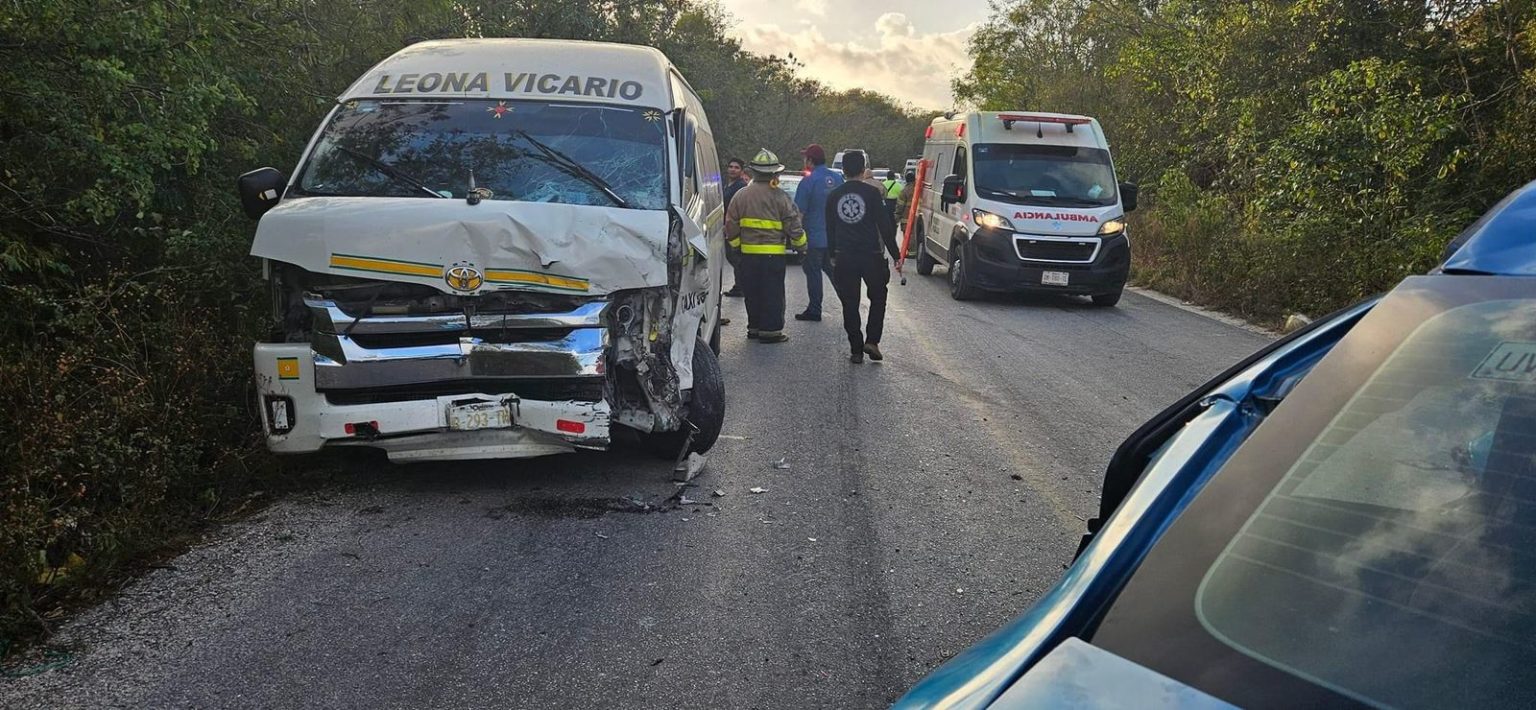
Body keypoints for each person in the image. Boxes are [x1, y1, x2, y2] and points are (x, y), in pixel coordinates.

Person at [825, 150, 900, 364]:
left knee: (850, 302)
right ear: (863, 169)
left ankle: (856, 349)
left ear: (843, 170)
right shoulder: (872, 194)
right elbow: (885, 227)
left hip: (844, 256)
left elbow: (830, 228)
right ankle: (872, 341)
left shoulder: (834, 196)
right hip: (871, 255)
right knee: (878, 297)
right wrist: (896, 255)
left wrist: (832, 254)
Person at [725, 149, 806, 344]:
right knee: (772, 293)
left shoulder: (741, 195)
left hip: (748, 255)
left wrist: (736, 246)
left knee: (752, 293)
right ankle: (770, 331)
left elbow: (731, 224)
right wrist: (801, 247)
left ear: (753, 172)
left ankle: (754, 328)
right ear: (774, 173)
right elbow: (793, 224)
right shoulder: (781, 197)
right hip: (773, 256)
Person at [792, 144, 843, 322]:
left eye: (805, 158)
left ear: (810, 160)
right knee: (835, 274)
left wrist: (796, 238)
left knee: (813, 273)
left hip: (813, 238)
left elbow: (799, 213)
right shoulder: (837, 178)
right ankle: (849, 305)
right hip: (835, 239)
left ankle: (815, 309)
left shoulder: (808, 182)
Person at [722, 157, 749, 298]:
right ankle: (740, 285)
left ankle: (741, 286)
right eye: (731, 166)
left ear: (742, 171)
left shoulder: (741, 187)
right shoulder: (728, 185)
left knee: (735, 257)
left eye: (736, 167)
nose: (733, 169)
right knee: (731, 256)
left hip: (735, 226)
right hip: (727, 225)